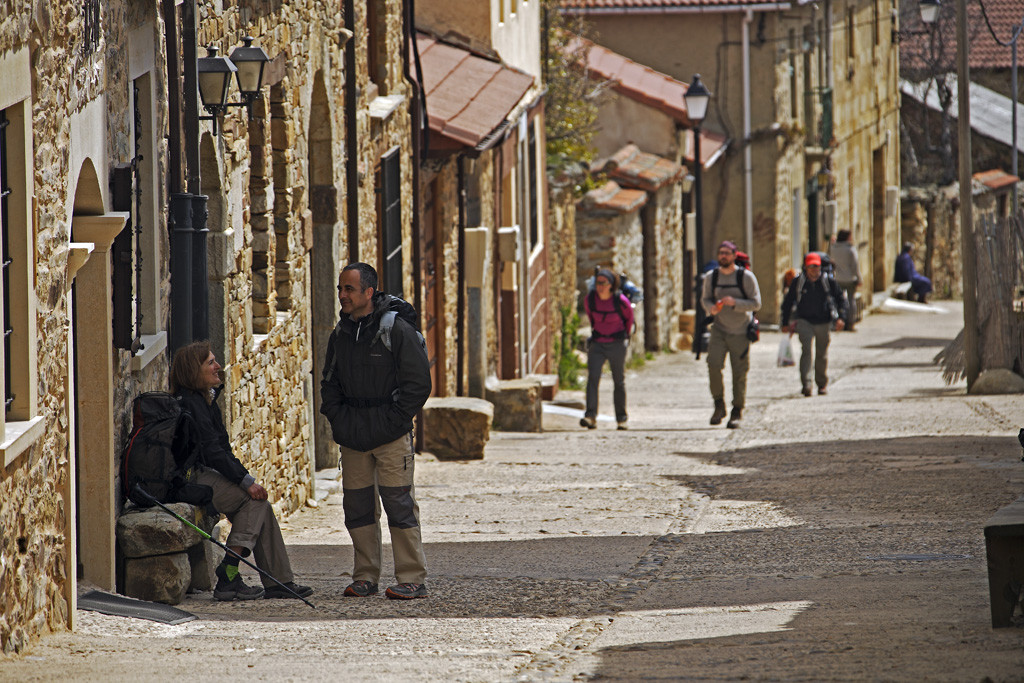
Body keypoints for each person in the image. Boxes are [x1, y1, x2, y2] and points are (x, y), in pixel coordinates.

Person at [320, 262, 432, 600]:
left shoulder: (396, 330)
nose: (342, 295)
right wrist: (341, 421)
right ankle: (365, 576)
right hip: (354, 439)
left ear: (369, 292)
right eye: (341, 288)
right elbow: (329, 384)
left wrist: (393, 422)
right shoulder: (341, 334)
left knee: (399, 505)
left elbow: (418, 384)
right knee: (357, 509)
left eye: (349, 289)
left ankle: (412, 578)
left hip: (391, 438)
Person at [171, 341, 313, 602]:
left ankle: (279, 582)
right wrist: (246, 483)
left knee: (260, 504)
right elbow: (213, 452)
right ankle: (229, 574)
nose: (218, 367)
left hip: (203, 474)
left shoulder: (204, 401)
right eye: (210, 363)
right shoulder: (192, 404)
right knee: (253, 500)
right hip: (190, 479)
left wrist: (245, 479)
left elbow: (221, 449)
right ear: (194, 370)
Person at [702, 241, 761, 429]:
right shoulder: (712, 277)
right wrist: (710, 307)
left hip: (741, 331)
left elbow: (756, 303)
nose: (723, 256)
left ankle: (737, 410)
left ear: (735, 256)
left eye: (727, 253)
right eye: (720, 253)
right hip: (719, 329)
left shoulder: (746, 277)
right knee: (713, 365)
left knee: (739, 372)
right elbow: (705, 298)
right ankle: (719, 405)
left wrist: (734, 302)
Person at [781, 252, 848, 396]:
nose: (813, 269)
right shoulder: (799, 282)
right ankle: (807, 384)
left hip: (823, 322)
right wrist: (785, 322)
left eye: (816, 266)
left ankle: (821, 384)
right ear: (805, 267)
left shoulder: (828, 281)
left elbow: (841, 299)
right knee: (806, 352)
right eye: (810, 266)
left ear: (820, 267)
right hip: (804, 320)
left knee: (821, 354)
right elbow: (787, 302)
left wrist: (841, 317)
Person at [580, 269, 635, 431]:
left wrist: (621, 339)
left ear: (611, 285)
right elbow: (591, 319)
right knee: (592, 379)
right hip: (597, 343)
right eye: (598, 283)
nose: (600, 287)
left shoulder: (621, 302)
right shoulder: (590, 300)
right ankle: (590, 417)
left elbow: (629, 321)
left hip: (617, 344)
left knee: (618, 380)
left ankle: (621, 419)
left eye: (603, 283)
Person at [830, 230, 861, 331]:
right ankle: (850, 323)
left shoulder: (833, 248)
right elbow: (855, 266)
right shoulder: (850, 249)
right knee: (851, 300)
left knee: (837, 300)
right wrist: (859, 278)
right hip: (849, 278)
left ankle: (838, 321)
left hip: (837, 278)